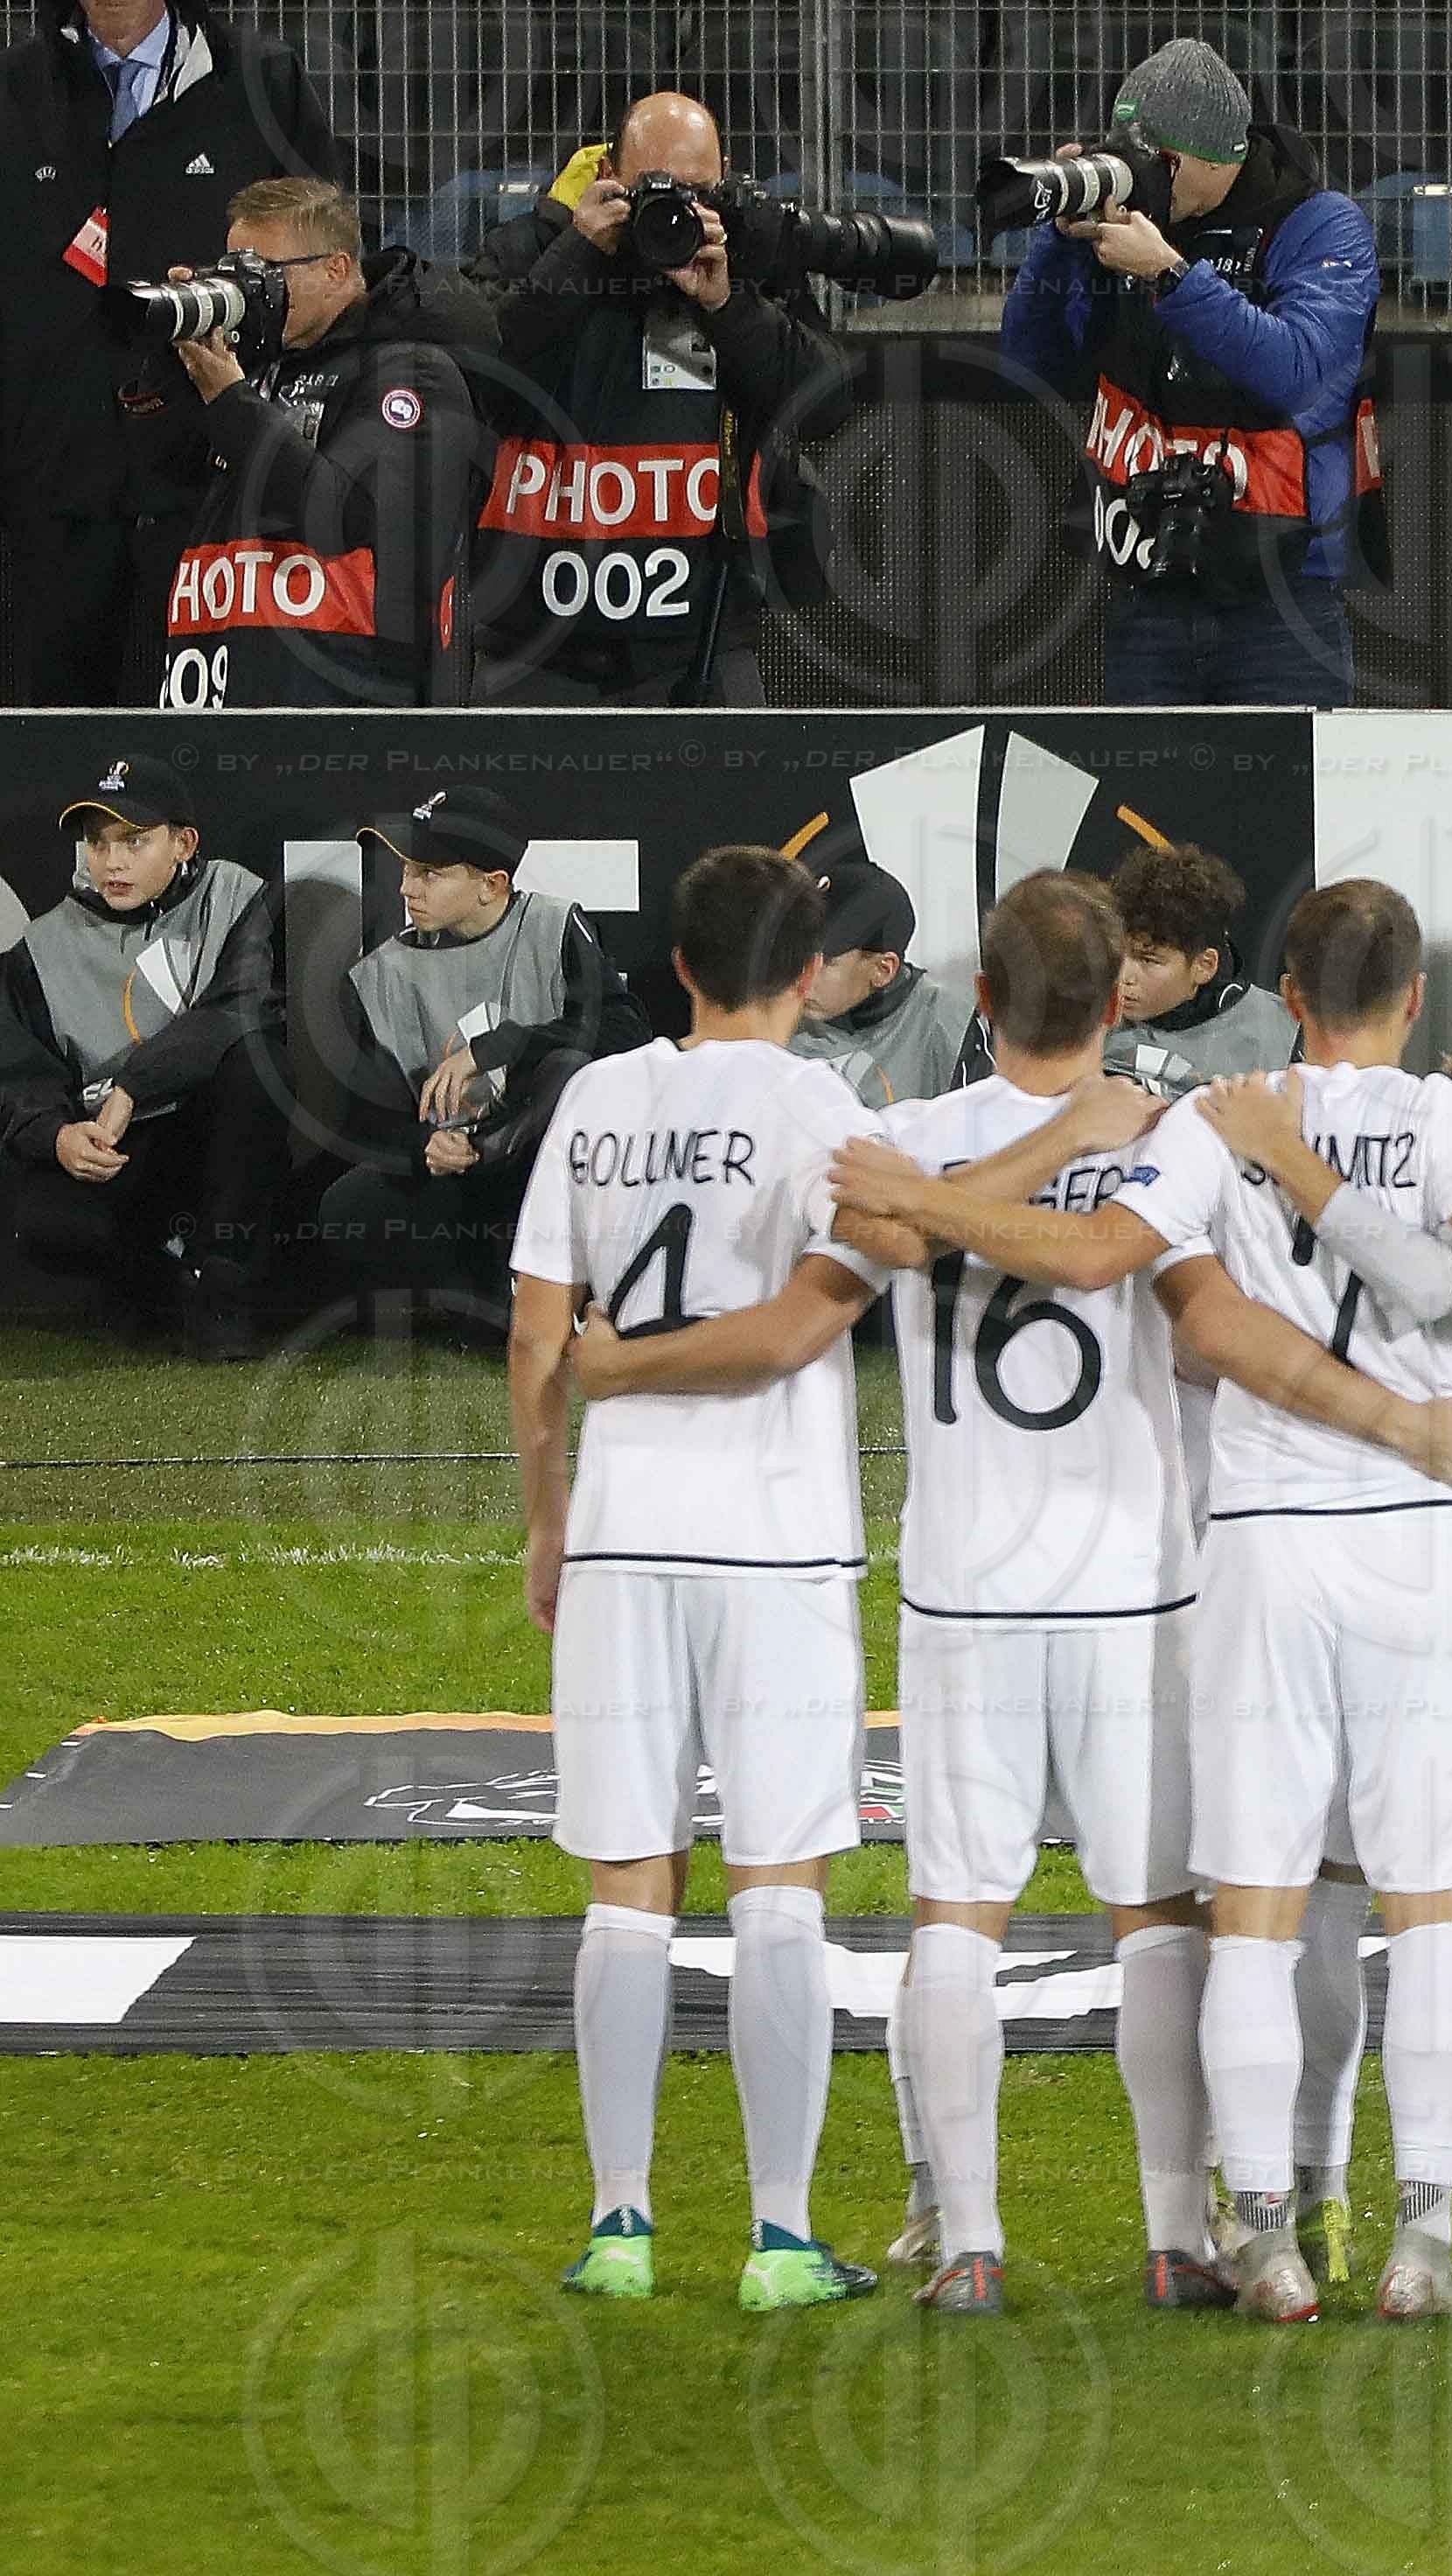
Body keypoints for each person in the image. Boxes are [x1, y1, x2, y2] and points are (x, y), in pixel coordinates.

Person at [836, 875, 1452, 2321]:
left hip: (1263, 1536)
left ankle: (1263, 2234)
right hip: (1418, 1536)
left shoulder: (1216, 1118)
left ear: (1282, 987)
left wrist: (922, 1192)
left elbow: (1152, 1284)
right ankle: (1415, 2239)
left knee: (1258, 1908)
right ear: (1411, 1002)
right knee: (1432, 1906)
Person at [571, 872, 1452, 2319]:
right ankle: (1177, 2230)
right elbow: (1205, 1327)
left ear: (977, 998)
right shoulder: (1162, 1137)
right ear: (1120, 1000)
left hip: (962, 1582)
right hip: (1131, 1577)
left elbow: (858, 1264)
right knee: (1160, 1917)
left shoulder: (905, 1142)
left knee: (956, 1915)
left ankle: (972, 2231)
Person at [510, 844, 891, 2315]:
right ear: (809, 974)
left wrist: (550, 1513)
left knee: (626, 1882)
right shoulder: (817, 1104)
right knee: (777, 1880)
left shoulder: (600, 1098)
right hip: (777, 1536)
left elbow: (539, 1334)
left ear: (673, 963)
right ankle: (781, 2236)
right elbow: (798, 1330)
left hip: (620, 1530)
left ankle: (619, 2221)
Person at [1002, 38, 1379, 709]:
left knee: (1282, 810)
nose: (1145, 176)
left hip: (1282, 600)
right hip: (1151, 587)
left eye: (1160, 161)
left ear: (1215, 156)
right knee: (1147, 810)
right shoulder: (1128, 229)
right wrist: (1058, 246)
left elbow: (1299, 369)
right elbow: (1031, 363)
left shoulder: (1322, 225)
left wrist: (1169, 273)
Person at [0, 0, 338, 707]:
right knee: (52, 749)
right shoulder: (17, 85)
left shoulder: (257, 79)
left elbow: (321, 252)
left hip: (207, 480)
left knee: (193, 742)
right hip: (50, 495)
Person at [466, 94, 850, 705]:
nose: (678, 208)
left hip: (705, 646)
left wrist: (727, 305)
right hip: (531, 651)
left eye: (699, 190)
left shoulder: (745, 262)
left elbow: (825, 405)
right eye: (655, 187)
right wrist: (578, 252)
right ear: (607, 177)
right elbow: (481, 383)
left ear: (724, 184)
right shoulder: (527, 250)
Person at [153, 177, 488, 708]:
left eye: (262, 275)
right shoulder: (249, 372)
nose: (246, 293)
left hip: (344, 718)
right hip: (219, 689)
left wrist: (231, 401)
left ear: (336, 268)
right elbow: (158, 479)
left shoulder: (413, 372)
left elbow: (351, 514)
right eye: (233, 274)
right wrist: (178, 359)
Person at [322, 782, 647, 1321]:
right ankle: (487, 1299)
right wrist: (423, 1145)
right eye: (407, 870)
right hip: (452, 1165)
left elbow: (625, 1031)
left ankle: (530, 1287)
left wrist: (500, 1046)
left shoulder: (553, 925)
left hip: (545, 1161)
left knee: (567, 1070)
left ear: (491, 885)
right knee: (347, 1210)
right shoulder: (380, 973)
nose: (408, 888)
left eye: (431, 873)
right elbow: (365, 1111)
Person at [0, 754, 282, 1354]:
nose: (113, 862)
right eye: (97, 843)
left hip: (212, 1133)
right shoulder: (41, 946)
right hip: (118, 1146)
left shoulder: (235, 896)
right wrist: (55, 1135)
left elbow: (242, 1006)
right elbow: (21, 1069)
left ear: (183, 843)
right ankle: (163, 1282)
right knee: (48, 1223)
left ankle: (223, 1287)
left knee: (259, 1061)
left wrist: (134, 1085)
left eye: (134, 841)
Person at [1085, 837, 1297, 1092]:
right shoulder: (1083, 1020)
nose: (1124, 976)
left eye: (1148, 960)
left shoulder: (1283, 1035)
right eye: (1118, 954)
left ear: (1204, 966)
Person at [785, 851, 980, 1109]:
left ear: (883, 970)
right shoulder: (771, 1012)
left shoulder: (948, 1028)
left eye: (825, 963)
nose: (802, 976)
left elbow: (982, 1140)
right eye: (799, 953)